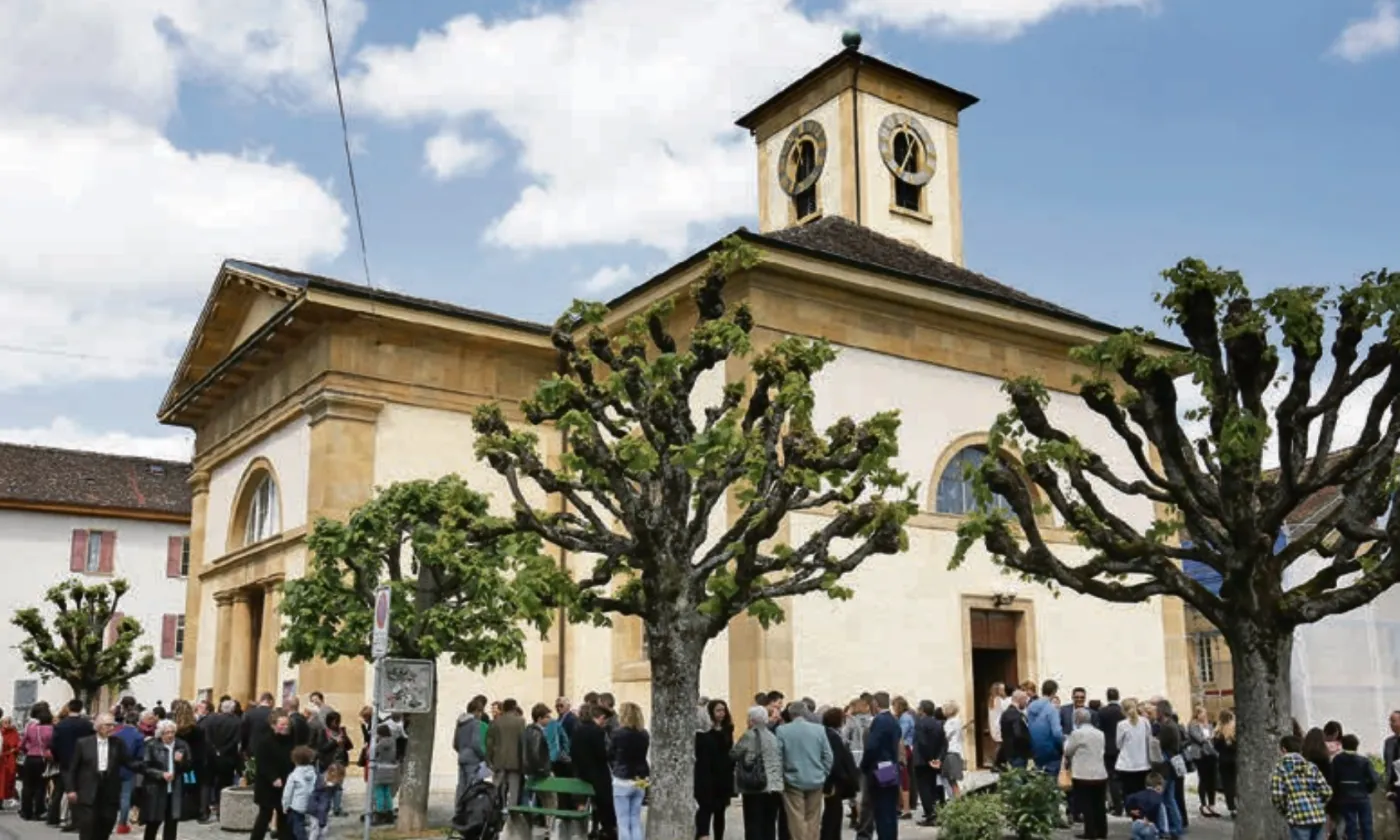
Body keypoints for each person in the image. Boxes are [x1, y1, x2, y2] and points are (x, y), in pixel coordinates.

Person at [63, 713, 144, 840]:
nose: (111, 728)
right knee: (88, 826)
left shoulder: (118, 743)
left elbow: (129, 762)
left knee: (106, 823)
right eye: (108, 725)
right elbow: (73, 768)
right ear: (98, 726)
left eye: (113, 725)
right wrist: (71, 789)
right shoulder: (83, 743)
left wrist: (149, 767)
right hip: (88, 790)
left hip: (109, 789)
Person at [777, 701, 833, 840]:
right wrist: (824, 773)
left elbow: (778, 756)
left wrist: (780, 776)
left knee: (796, 817)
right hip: (816, 778)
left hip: (792, 778)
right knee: (813, 817)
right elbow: (828, 756)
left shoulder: (782, 730)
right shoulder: (819, 729)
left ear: (790, 714)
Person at [1272, 734, 1333, 840]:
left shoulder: (1281, 769)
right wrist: (1319, 804)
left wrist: (1286, 811)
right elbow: (1326, 791)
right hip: (1317, 815)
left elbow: (1277, 796)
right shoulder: (1311, 766)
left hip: (1298, 817)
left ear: (1283, 749)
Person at [861, 692, 902, 840]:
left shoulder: (879, 720)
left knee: (881, 808)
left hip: (880, 766)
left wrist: (864, 765)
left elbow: (872, 746)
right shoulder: (894, 720)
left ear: (875, 703)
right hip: (890, 766)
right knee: (890, 808)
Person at [139, 720, 190, 840]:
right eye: (167, 732)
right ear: (160, 734)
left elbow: (189, 766)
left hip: (175, 789)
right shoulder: (152, 745)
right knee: (153, 822)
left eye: (172, 732)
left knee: (172, 823)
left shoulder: (181, 745)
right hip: (157, 789)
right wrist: (161, 774)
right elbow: (145, 767)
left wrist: (180, 762)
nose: (170, 735)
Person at [572, 703, 616, 840]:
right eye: (605, 720)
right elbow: (601, 755)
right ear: (601, 717)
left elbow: (572, 751)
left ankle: (593, 829)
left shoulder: (578, 729)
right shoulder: (597, 731)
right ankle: (608, 830)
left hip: (581, 774)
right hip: (598, 775)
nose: (605, 723)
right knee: (605, 804)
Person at [608, 702, 650, 840]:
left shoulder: (618, 733)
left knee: (623, 821)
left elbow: (610, 754)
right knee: (635, 819)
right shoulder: (644, 734)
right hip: (641, 778)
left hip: (622, 778)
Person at [1064, 708, 1108, 840]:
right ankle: (1102, 830)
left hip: (1083, 774)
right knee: (1099, 803)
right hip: (1100, 772)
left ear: (1077, 719)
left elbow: (1068, 751)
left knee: (1086, 804)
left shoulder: (1077, 733)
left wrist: (1066, 741)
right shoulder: (1100, 733)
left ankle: (1090, 832)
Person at [695, 700, 735, 840]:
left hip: (723, 775)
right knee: (705, 808)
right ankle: (702, 835)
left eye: (723, 710)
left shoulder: (728, 729)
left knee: (720, 811)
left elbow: (729, 750)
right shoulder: (704, 734)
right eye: (718, 710)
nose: (721, 714)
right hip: (708, 775)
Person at [251, 710, 295, 840]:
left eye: (287, 724)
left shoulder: (290, 740)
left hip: (285, 781)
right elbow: (262, 763)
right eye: (282, 725)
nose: (285, 727)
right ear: (273, 725)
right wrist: (273, 777)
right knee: (265, 815)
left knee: (284, 814)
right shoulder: (265, 741)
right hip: (267, 784)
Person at [820, 706, 859, 840]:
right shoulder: (833, 736)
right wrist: (844, 776)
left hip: (834, 778)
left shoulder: (829, 734)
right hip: (835, 780)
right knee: (833, 812)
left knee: (834, 811)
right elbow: (835, 759)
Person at [1332, 734, 1378, 840]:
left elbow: (1333, 780)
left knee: (1350, 826)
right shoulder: (1364, 761)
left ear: (1342, 745)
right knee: (1366, 826)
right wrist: (1367, 790)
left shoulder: (1337, 760)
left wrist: (1337, 795)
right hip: (1362, 797)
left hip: (1344, 797)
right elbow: (1374, 779)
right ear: (1357, 746)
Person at [911, 701, 947, 827]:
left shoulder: (920, 724)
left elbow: (922, 743)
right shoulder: (938, 724)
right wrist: (938, 758)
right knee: (932, 786)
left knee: (924, 788)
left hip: (922, 760)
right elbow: (944, 743)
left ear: (922, 710)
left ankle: (930, 814)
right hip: (934, 761)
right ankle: (935, 812)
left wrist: (929, 759)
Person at [485, 699, 525, 808]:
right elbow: (523, 742)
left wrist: (489, 760)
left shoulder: (495, 722)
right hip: (515, 761)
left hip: (499, 761)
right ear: (514, 707)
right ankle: (512, 811)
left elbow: (489, 743)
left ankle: (497, 809)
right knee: (513, 790)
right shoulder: (520, 721)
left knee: (497, 788)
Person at [20, 703, 54, 821]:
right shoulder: (51, 729)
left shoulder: (30, 727)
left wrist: (27, 750)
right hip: (42, 758)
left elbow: (22, 744)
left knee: (27, 785)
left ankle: (26, 811)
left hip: (30, 758)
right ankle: (39, 811)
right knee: (41, 786)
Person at [1115, 699, 1153, 801]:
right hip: (1144, 763)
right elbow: (1149, 739)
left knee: (1128, 792)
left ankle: (1131, 809)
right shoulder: (1145, 722)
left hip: (1127, 764)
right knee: (1142, 790)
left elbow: (1118, 745)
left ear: (1123, 710)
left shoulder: (1122, 724)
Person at [1186, 706, 1220, 818]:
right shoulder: (1193, 725)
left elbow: (1213, 737)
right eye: (1202, 713)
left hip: (1211, 754)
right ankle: (1203, 804)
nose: (1204, 715)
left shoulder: (1209, 725)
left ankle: (1212, 804)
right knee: (1203, 779)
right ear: (1197, 714)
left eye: (1205, 713)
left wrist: (1210, 737)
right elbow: (1200, 739)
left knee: (1212, 779)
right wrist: (1209, 737)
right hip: (1200, 755)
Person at [1097, 688, 1125, 816]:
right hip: (1122, 748)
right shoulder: (1122, 711)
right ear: (1118, 696)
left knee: (1112, 778)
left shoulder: (1102, 712)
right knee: (1123, 777)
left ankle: (1117, 806)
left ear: (1107, 697)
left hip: (1107, 748)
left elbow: (1100, 729)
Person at [280, 746, 318, 840]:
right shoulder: (314, 773)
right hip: (310, 803)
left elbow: (288, 793)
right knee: (308, 825)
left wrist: (285, 806)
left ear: (295, 760)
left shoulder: (293, 775)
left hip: (297, 806)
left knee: (297, 827)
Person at [306, 763, 344, 840]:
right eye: (336, 778)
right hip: (315, 810)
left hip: (324, 810)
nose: (337, 781)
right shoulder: (319, 782)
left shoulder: (334, 786)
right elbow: (317, 800)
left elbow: (328, 799)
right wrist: (322, 820)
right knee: (315, 830)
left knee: (324, 831)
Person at [1124, 772, 1166, 840]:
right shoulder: (1158, 798)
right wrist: (1163, 832)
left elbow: (1128, 799)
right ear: (1158, 787)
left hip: (1136, 825)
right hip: (1149, 826)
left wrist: (1129, 810)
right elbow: (1161, 817)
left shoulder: (1138, 795)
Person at [1212, 710, 1238, 817]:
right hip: (1234, 759)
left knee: (1227, 785)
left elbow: (1216, 747)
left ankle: (1232, 807)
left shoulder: (1218, 731)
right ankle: (1238, 804)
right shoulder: (1233, 730)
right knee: (1236, 782)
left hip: (1223, 760)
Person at [370, 723, 397, 825]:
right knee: (387, 793)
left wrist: (374, 743)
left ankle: (379, 814)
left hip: (380, 770)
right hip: (390, 770)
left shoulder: (381, 743)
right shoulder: (393, 741)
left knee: (379, 793)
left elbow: (372, 753)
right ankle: (389, 813)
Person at [1, 716, 20, 808]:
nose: (7, 724)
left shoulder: (13, 732)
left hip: (9, 760)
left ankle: (11, 797)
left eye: (8, 722)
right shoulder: (1, 732)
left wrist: (12, 750)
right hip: (2, 758)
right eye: (4, 722)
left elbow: (16, 746)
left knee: (8, 780)